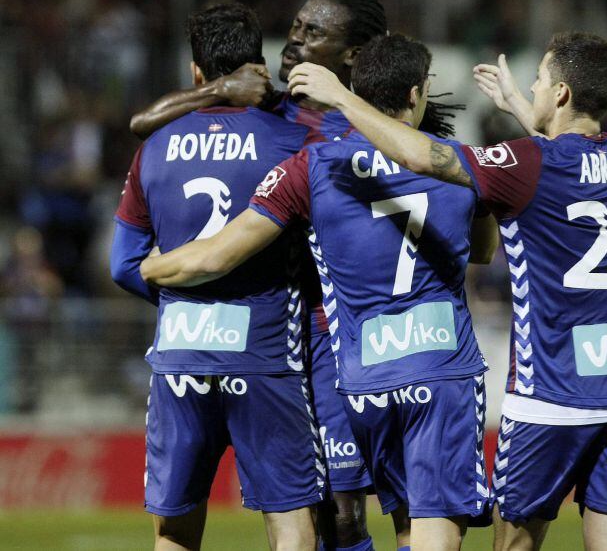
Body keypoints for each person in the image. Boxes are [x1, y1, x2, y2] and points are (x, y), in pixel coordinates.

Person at [287, 31, 607, 551]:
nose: (529, 88)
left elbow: (426, 158)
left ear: (560, 94)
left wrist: (342, 97)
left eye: (538, 81)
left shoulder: (528, 164)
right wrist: (517, 105)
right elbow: (565, 155)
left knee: (513, 543)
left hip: (555, 393)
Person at [140, 34, 499, 551]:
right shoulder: (461, 164)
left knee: (351, 520)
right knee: (427, 531)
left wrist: (154, 266)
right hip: (441, 371)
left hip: (364, 380)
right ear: (419, 93)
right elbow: (482, 251)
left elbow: (216, 255)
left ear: (354, 87)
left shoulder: (309, 168)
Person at [130, 0, 389, 551]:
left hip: (336, 338)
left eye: (314, 31)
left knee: (345, 515)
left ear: (352, 54)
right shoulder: (271, 114)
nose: (295, 37)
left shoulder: (367, 130)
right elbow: (144, 122)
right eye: (296, 25)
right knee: (304, 511)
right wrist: (219, 90)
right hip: (281, 332)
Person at [110, 3, 322, 551]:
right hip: (266, 354)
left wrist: (181, 292)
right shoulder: (293, 139)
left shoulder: (153, 146)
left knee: (175, 529)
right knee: (291, 522)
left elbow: (121, 265)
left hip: (179, 355)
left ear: (196, 73)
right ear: (257, 66)